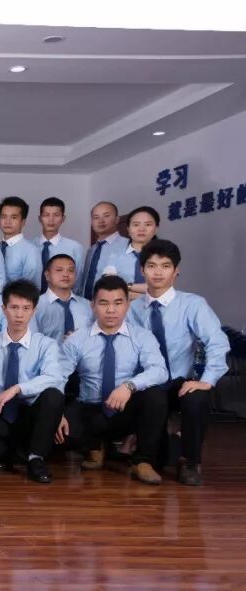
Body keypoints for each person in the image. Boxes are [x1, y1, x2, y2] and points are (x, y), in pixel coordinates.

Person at [128, 239, 229, 485]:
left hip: (181, 382)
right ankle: (150, 454)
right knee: (159, 459)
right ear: (142, 270)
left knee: (197, 398)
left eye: (165, 266)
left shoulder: (192, 304)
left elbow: (217, 342)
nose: (158, 272)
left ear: (176, 271)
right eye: (152, 265)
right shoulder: (132, 309)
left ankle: (190, 461)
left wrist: (206, 381)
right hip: (150, 384)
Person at [59, 275, 169, 485]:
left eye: (118, 303)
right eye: (103, 303)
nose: (111, 310)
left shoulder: (142, 336)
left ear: (127, 305)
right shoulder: (77, 339)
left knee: (155, 396)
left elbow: (159, 370)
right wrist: (58, 411)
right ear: (93, 305)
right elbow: (58, 376)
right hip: (90, 409)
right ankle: (95, 446)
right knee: (59, 431)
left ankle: (142, 461)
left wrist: (129, 386)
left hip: (124, 409)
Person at [0, 280, 65, 483]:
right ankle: (8, 453)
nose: (19, 315)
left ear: (34, 311)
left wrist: (17, 389)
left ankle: (35, 458)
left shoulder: (46, 345)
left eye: (26, 308)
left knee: (53, 396)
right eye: (14, 308)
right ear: (3, 309)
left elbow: (53, 377)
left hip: (29, 414)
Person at [34, 254, 93, 343]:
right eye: (59, 270)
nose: (66, 274)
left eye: (71, 270)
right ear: (47, 275)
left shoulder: (88, 306)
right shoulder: (35, 306)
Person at [33, 197, 85, 294]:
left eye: (56, 215)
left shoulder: (74, 247)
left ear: (63, 219)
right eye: (46, 215)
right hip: (31, 299)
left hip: (63, 299)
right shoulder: (30, 246)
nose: (51, 220)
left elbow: (77, 281)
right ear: (40, 218)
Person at [79, 201, 126, 300]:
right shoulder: (91, 250)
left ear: (117, 219)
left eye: (106, 216)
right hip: (86, 304)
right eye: (96, 217)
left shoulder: (128, 246)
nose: (101, 221)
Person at [111, 206, 160, 300]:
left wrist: (127, 287)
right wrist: (148, 296)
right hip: (123, 308)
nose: (142, 229)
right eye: (136, 225)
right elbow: (110, 287)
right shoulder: (115, 256)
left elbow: (161, 288)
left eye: (148, 224)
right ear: (128, 229)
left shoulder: (164, 256)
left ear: (156, 229)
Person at [0, 196, 41, 286]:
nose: (7, 222)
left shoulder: (31, 250)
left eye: (13, 217)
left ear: (23, 222)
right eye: (4, 217)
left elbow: (32, 287)